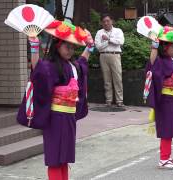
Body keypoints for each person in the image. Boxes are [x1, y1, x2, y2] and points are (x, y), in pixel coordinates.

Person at [17, 20, 94, 180]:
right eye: (67, 46)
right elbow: (38, 71)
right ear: (57, 45)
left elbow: (83, 62)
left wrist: (89, 46)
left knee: (65, 157)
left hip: (69, 118)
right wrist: (34, 46)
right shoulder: (50, 66)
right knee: (54, 158)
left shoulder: (73, 66)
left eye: (73, 47)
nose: (70, 50)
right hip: (55, 118)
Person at [146, 26, 173, 169]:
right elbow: (152, 68)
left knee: (170, 128)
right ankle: (163, 158)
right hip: (165, 99)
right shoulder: (160, 61)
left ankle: (167, 156)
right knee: (166, 129)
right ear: (165, 46)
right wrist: (154, 48)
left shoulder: (171, 59)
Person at [95, 14, 125, 107]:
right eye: (104, 21)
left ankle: (119, 101)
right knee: (106, 79)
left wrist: (108, 39)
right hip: (103, 55)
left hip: (115, 55)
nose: (106, 23)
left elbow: (120, 42)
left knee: (118, 79)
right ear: (101, 23)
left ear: (112, 21)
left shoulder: (118, 31)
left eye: (108, 21)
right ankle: (108, 100)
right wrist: (108, 42)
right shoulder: (99, 32)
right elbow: (98, 47)